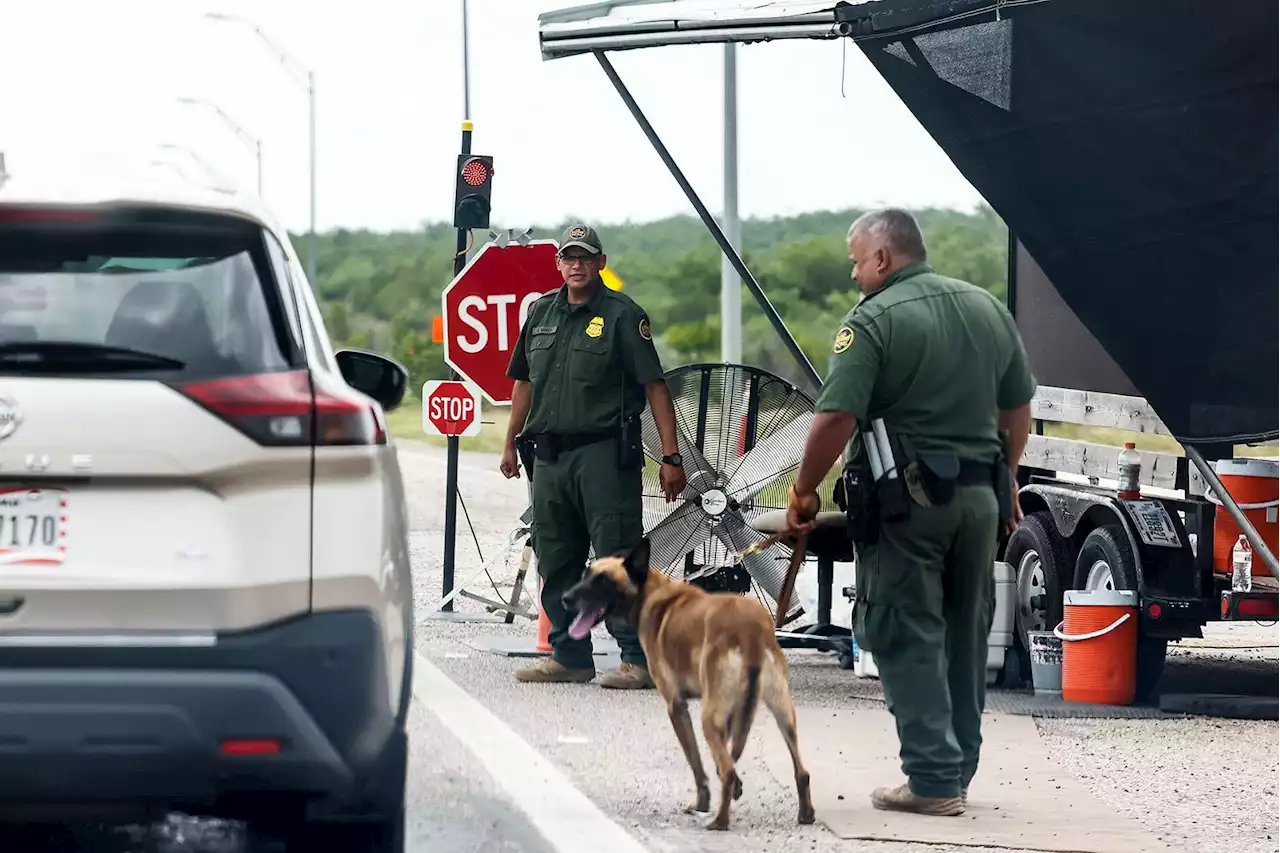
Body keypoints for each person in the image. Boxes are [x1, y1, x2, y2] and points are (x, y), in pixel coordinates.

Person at [784, 209, 1035, 816]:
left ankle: (931, 778)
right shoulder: (986, 308)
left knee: (905, 627)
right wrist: (1007, 479)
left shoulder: (872, 321)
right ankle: (956, 771)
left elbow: (836, 417)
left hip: (911, 502)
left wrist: (804, 489)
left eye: (855, 259)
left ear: (884, 258)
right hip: (982, 500)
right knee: (965, 632)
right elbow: (1018, 412)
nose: (852, 273)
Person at [501, 223, 688, 689]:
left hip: (604, 455)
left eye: (585, 257)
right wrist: (510, 439)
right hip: (549, 457)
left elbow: (655, 387)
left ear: (601, 263)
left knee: (617, 559)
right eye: (569, 257)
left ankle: (638, 659)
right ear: (558, 263)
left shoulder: (624, 315)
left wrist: (671, 456)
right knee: (557, 557)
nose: (577, 265)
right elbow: (524, 383)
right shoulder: (542, 313)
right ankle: (570, 656)